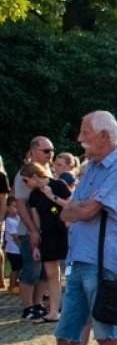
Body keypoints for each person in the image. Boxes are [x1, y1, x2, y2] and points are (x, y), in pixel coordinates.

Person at [6, 111, 117, 345]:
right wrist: (76, 209)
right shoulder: (91, 168)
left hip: (106, 264)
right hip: (80, 261)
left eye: (85, 133)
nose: (79, 139)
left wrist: (77, 209)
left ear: (105, 137)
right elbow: (70, 211)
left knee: (108, 335)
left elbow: (86, 210)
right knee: (66, 336)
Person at [20, 161, 70, 323]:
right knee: (51, 275)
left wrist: (52, 196)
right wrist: (36, 245)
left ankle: (75, 308)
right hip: (48, 236)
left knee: (71, 272)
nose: (25, 184)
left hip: (65, 232)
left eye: (26, 180)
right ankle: (54, 311)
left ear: (34, 176)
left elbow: (72, 206)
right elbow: (37, 222)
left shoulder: (59, 185)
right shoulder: (34, 195)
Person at [13, 136, 54, 320]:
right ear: (33, 151)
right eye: (46, 151)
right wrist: (32, 230)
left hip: (47, 229)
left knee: (45, 271)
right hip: (30, 229)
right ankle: (27, 306)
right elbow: (21, 205)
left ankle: (37, 303)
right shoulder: (24, 174)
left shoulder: (48, 172)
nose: (50, 154)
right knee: (31, 269)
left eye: (51, 150)